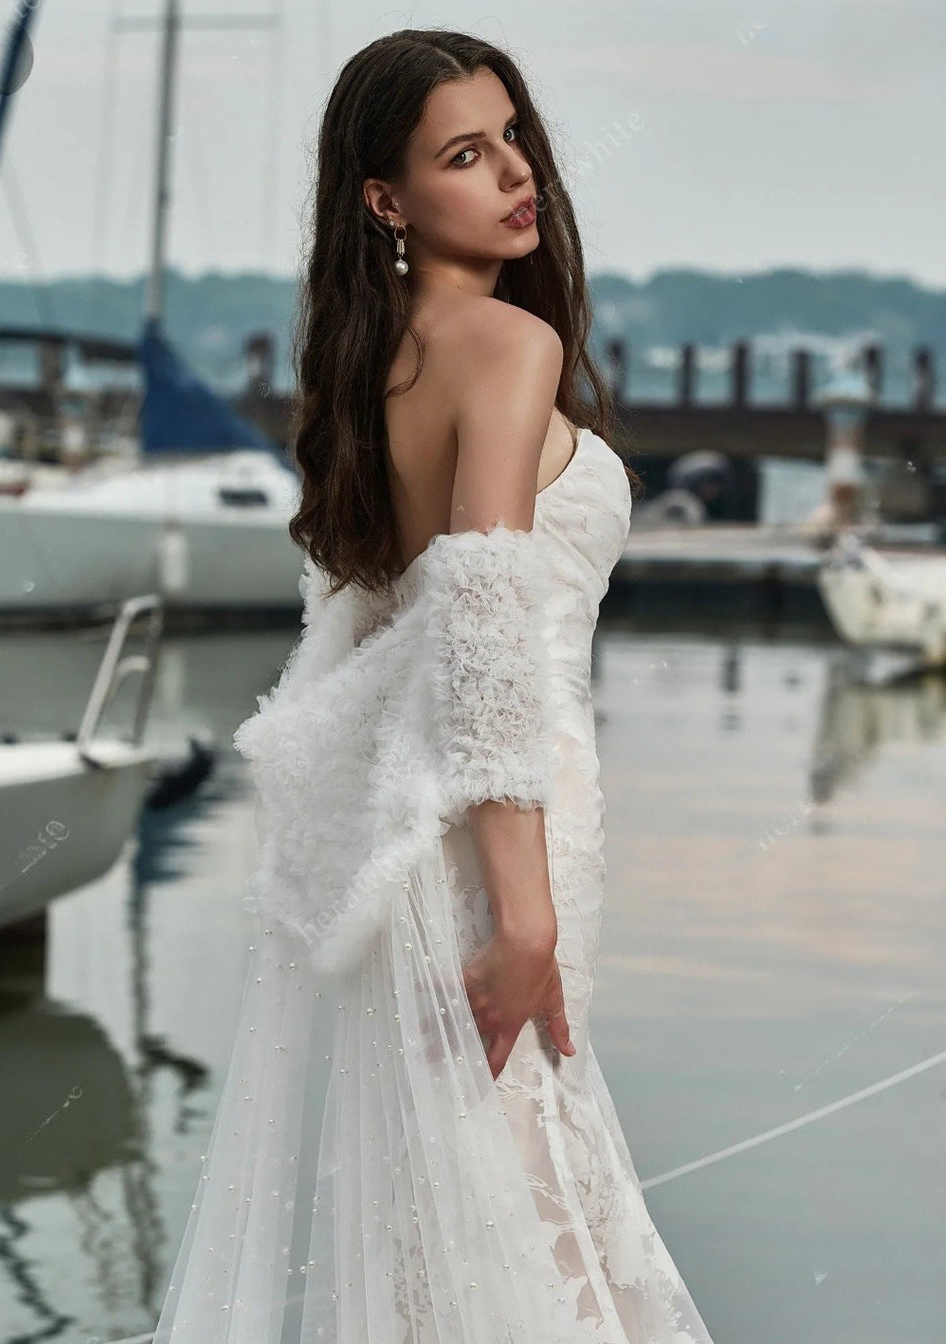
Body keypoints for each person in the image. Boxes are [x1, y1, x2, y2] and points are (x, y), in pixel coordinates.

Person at [151, 28, 717, 1344]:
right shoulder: (504, 345)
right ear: (386, 200)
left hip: (418, 840)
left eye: (514, 135)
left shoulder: (376, 364)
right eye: (467, 154)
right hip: (495, 840)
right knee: (534, 1231)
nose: (518, 172)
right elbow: (483, 622)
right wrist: (522, 916)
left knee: (461, 1229)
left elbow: (360, 638)